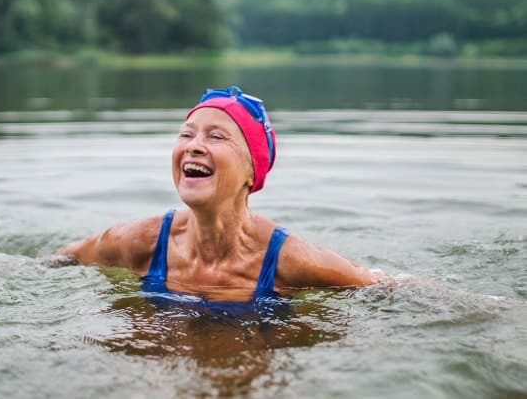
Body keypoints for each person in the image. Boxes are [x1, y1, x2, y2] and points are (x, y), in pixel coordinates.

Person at [56, 86, 382, 302]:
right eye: (186, 134)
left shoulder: (290, 260)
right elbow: (64, 259)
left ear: (253, 171)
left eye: (216, 137)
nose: (194, 146)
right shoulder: (140, 241)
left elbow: (383, 287)